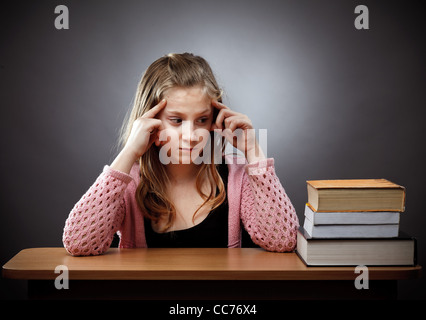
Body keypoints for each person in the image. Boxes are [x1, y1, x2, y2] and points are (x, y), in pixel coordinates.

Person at [62, 53, 299, 256]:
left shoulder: (238, 177)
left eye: (202, 120)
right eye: (176, 121)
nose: (192, 135)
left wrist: (253, 152)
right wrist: (130, 151)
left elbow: (283, 240)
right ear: (149, 121)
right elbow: (79, 243)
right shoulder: (128, 183)